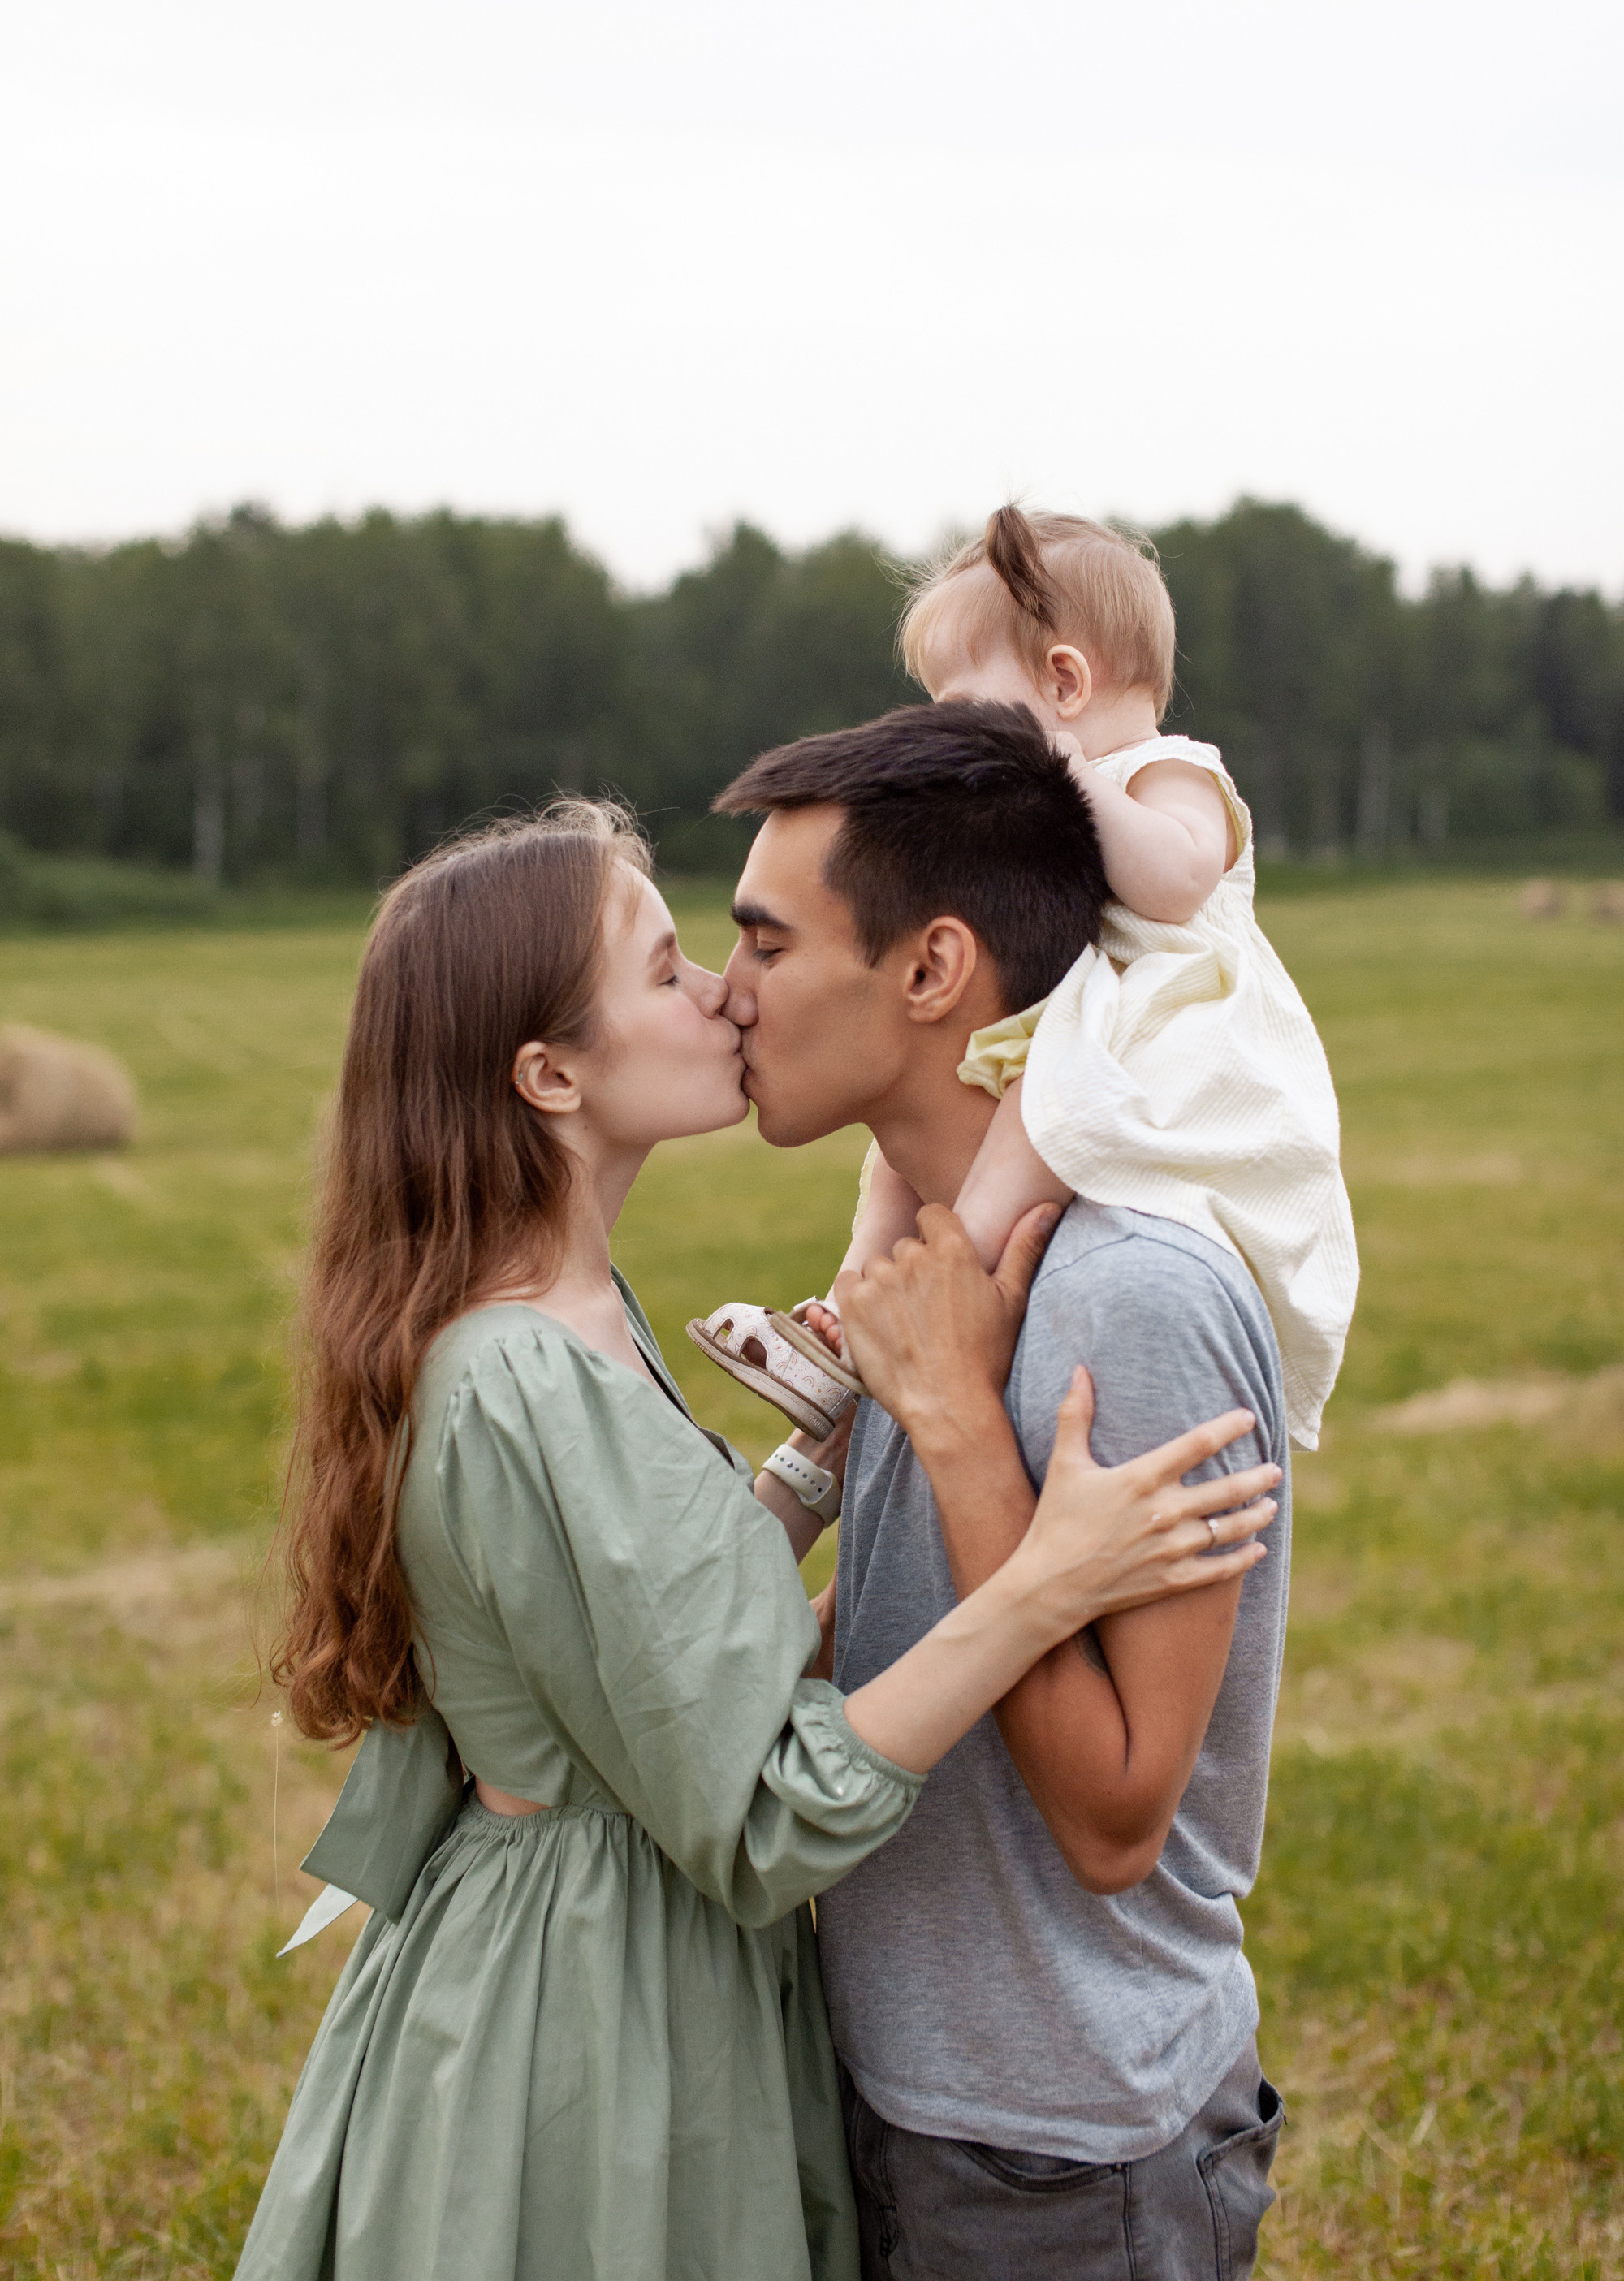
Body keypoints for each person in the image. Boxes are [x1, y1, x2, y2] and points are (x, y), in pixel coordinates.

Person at [236, 801, 1279, 2281]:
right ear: (548, 1075)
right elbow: (769, 1806)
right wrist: (1048, 1577)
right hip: (582, 2010)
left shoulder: (570, 1316)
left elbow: (649, 1633)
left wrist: (817, 1458)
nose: (725, 991)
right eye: (668, 971)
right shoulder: (525, 1367)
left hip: (622, 1950)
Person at [715, 701, 1294, 2279]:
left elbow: (1115, 1818)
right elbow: (905, 1643)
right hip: (899, 2099)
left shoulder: (1132, 1294)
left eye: (765, 945)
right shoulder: (934, 1257)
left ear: (929, 971)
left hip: (1067, 2152)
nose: (726, 992)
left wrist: (961, 1428)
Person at [693, 503, 1356, 1454]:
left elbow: (1172, 887)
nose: (942, 728)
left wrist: (1068, 773)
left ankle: (953, 1273)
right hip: (1071, 1009)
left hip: (1148, 1018)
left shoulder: (1170, 772)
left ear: (1062, 681)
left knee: (1042, 1106)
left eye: (957, 705)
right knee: (893, 1153)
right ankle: (849, 1307)